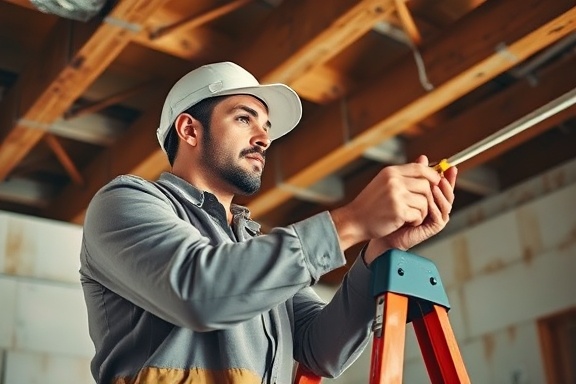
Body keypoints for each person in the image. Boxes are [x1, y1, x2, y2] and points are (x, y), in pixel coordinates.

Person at [80, 61, 457, 384]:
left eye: (266, 126)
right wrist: (353, 220)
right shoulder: (124, 203)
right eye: (244, 118)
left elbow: (320, 349)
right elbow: (196, 290)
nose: (264, 138)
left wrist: (382, 248)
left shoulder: (251, 248)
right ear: (190, 130)